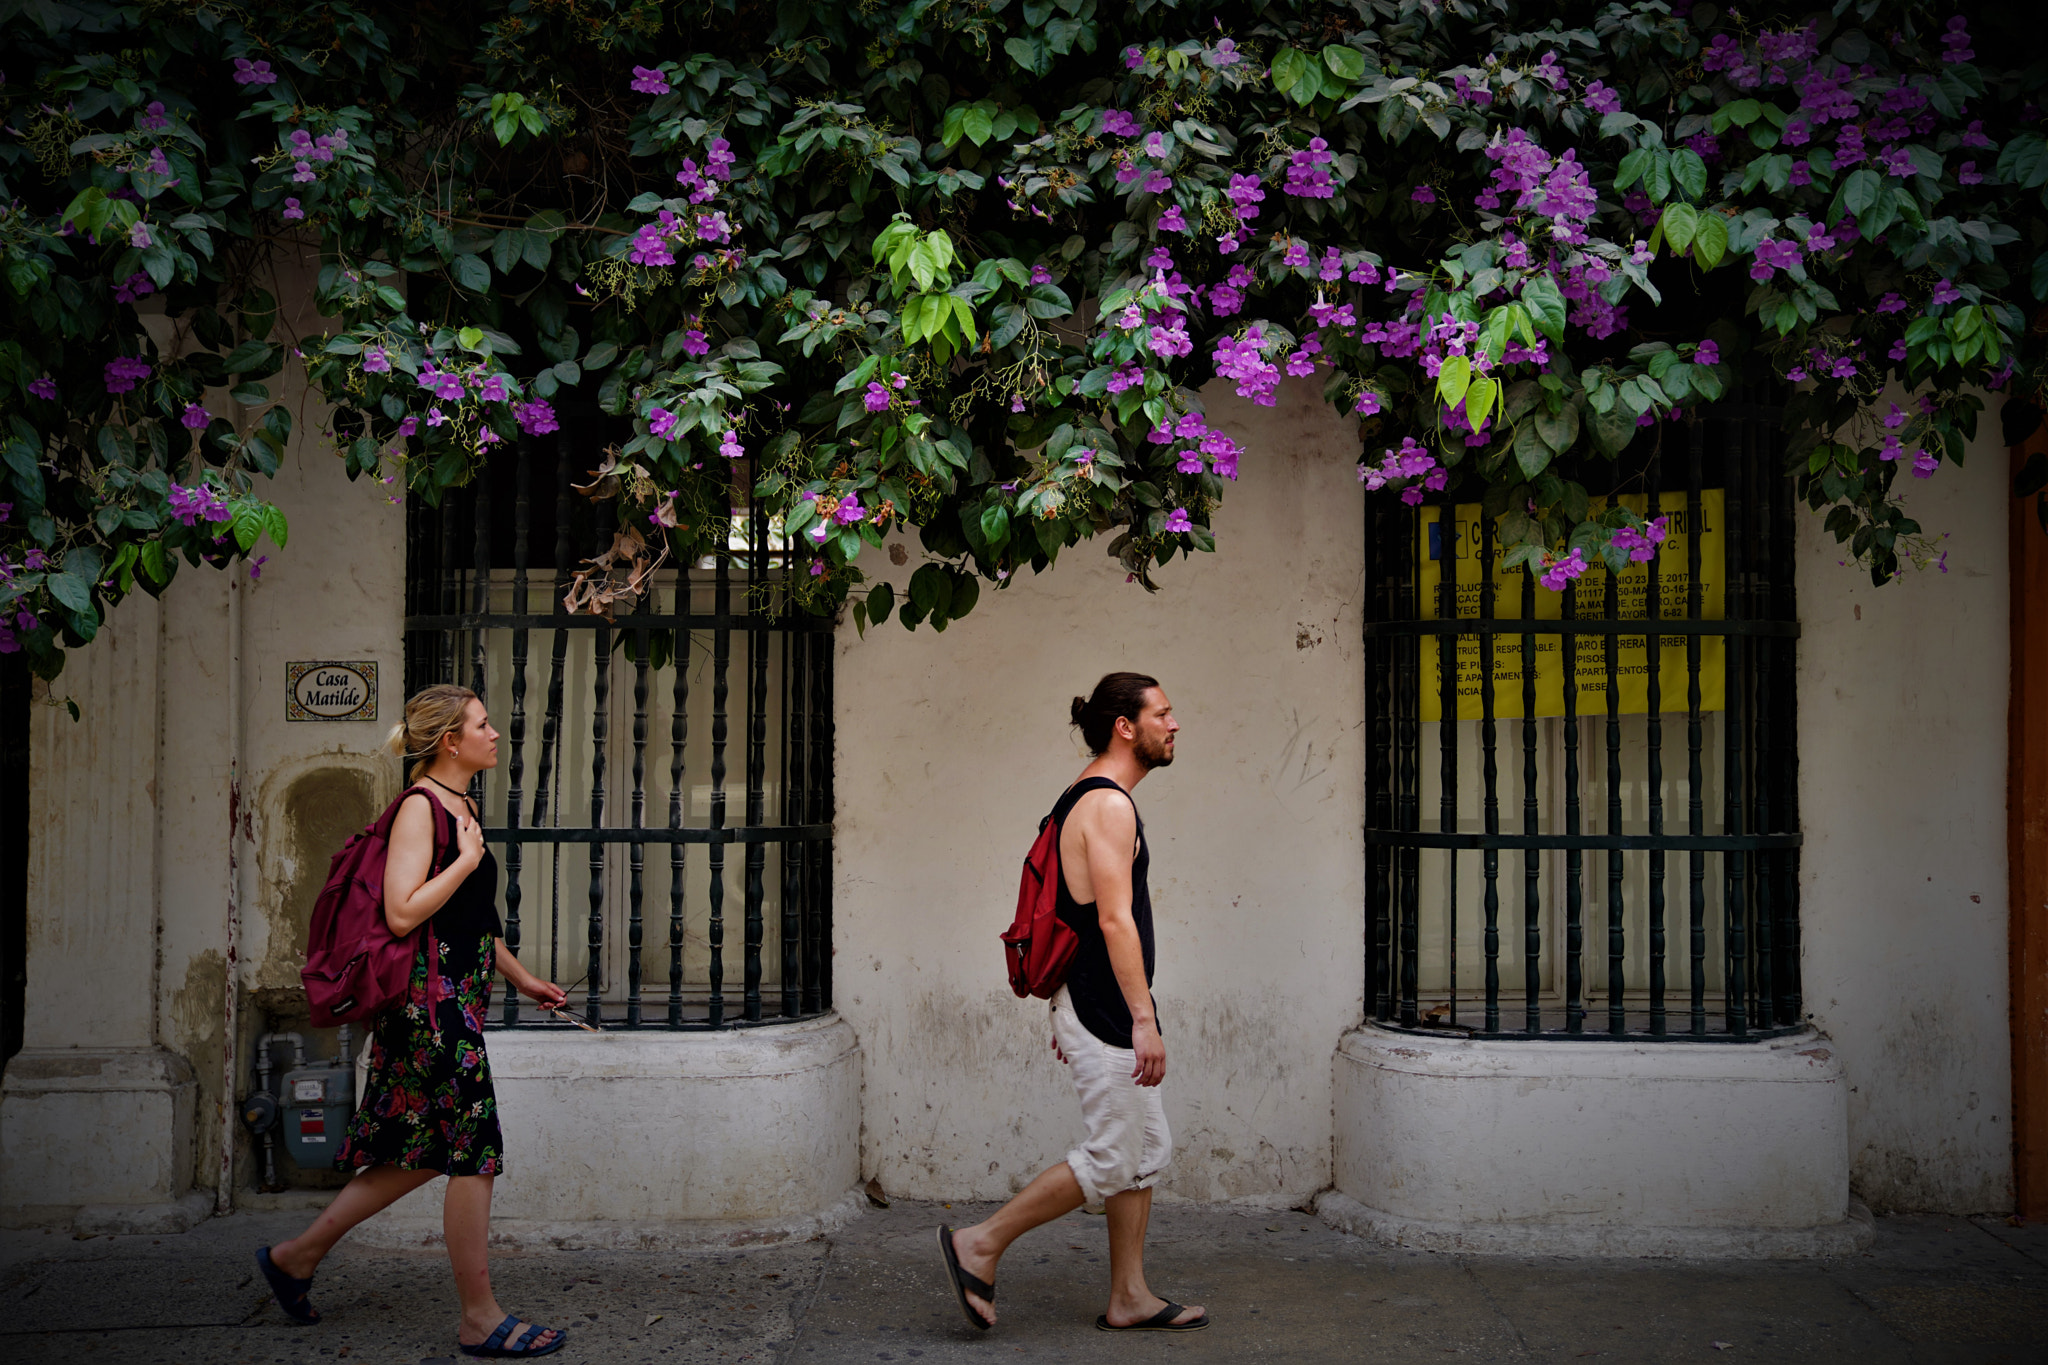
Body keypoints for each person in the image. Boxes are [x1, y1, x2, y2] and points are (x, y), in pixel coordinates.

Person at [256, 684, 572, 1359]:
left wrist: (521, 977)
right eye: (483, 724)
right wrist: (462, 858)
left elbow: (466, 917)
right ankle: (480, 1317)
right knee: (473, 1148)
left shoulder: (460, 802)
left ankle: (295, 1256)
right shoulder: (419, 809)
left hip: (452, 996)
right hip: (428, 1008)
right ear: (451, 741)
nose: (495, 733)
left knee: (418, 1146)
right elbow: (403, 912)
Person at [937, 672, 1208, 1335]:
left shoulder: (1081, 796)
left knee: (1144, 1146)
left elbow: (1072, 914)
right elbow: (1114, 921)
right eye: (1163, 714)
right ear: (1126, 725)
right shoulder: (1109, 804)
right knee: (1114, 1153)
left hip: (1095, 1000)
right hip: (1107, 1004)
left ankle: (1130, 1295)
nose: (1175, 725)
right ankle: (981, 1242)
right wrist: (1142, 1019)